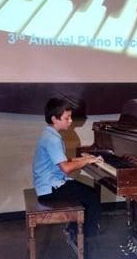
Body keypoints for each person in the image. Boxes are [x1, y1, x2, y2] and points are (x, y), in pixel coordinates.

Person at [32, 97, 103, 243]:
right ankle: (83, 237)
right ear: (54, 119)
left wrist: (84, 159)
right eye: (67, 118)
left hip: (47, 186)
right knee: (92, 196)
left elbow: (62, 162)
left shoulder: (49, 134)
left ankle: (73, 229)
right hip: (51, 190)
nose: (70, 121)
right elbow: (65, 168)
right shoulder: (53, 139)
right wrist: (86, 161)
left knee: (84, 193)